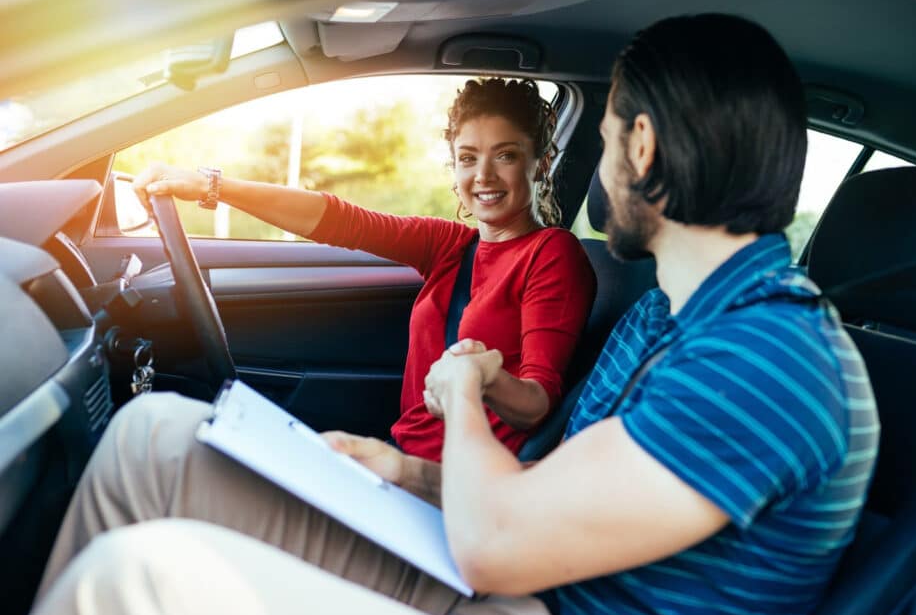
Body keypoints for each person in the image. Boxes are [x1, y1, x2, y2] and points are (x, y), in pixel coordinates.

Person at [28, 13, 879, 615]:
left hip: (527, 602)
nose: (606, 168)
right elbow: (551, 490)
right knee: (152, 436)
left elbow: (503, 540)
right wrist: (404, 473)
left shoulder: (766, 359)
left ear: (644, 147)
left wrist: (466, 391)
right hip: (509, 567)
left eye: (612, 132)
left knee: (131, 580)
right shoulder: (673, 312)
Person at [132, 77, 597, 463]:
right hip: (399, 459)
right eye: (468, 158)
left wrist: (482, 377)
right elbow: (340, 219)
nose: (484, 176)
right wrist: (209, 186)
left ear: (542, 162)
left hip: (453, 489)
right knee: (182, 441)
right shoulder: (452, 246)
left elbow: (537, 404)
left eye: (506, 155)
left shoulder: (551, 254)